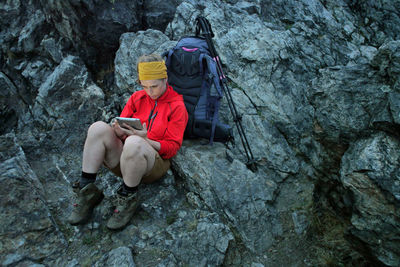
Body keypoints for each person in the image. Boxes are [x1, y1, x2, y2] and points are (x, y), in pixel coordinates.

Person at [68, 54, 188, 230]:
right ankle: (87, 190)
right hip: (127, 159)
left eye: (154, 86)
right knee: (98, 128)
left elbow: (171, 149)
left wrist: (145, 139)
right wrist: (118, 131)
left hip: (153, 164)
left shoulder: (177, 107)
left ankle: (128, 197)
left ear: (165, 79)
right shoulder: (137, 98)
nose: (149, 91)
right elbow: (122, 125)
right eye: (145, 86)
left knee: (134, 142)